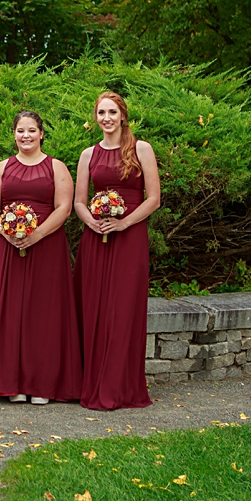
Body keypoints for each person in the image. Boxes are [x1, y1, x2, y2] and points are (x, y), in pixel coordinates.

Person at [0, 111, 81, 405]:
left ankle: (42, 384)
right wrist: (6, 231)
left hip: (46, 246)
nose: (26, 136)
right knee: (9, 311)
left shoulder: (55, 167)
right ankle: (10, 384)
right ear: (14, 134)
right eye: (20, 131)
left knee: (43, 313)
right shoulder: (2, 168)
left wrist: (38, 234)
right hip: (7, 247)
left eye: (31, 131)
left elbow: (64, 208)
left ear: (42, 134)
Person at [73, 91, 161, 410]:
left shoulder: (141, 149)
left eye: (112, 112)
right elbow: (79, 201)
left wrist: (124, 224)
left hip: (130, 238)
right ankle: (91, 381)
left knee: (123, 311)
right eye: (101, 113)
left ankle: (120, 387)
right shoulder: (88, 155)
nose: (106, 118)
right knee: (94, 309)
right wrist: (92, 222)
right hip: (96, 238)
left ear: (123, 115)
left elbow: (153, 198)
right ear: (95, 117)